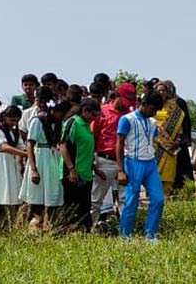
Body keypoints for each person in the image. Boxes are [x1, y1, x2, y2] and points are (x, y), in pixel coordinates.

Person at [116, 91, 166, 240]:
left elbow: (153, 139)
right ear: (143, 104)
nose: (154, 113)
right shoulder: (127, 120)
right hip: (133, 162)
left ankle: (150, 234)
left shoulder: (152, 123)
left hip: (150, 163)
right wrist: (121, 170)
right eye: (152, 109)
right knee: (132, 200)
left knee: (158, 199)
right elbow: (119, 144)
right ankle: (126, 235)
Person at [19, 88, 65, 229]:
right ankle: (27, 226)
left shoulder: (57, 124)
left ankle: (48, 226)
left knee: (52, 195)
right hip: (39, 158)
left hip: (52, 159)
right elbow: (30, 144)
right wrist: (33, 169)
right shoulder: (37, 121)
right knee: (35, 196)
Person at [91, 82, 133, 224]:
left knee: (125, 199)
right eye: (125, 101)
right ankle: (90, 229)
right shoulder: (102, 112)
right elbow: (93, 136)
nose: (126, 105)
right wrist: (93, 161)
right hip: (104, 160)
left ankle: (125, 230)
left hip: (125, 161)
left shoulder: (130, 115)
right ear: (117, 96)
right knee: (96, 199)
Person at [59, 97, 98, 231]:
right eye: (93, 115)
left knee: (84, 209)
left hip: (86, 173)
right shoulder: (73, 123)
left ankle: (85, 234)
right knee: (71, 209)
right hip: (73, 174)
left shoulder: (86, 125)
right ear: (85, 111)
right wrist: (71, 169)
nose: (95, 118)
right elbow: (63, 146)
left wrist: (94, 168)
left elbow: (85, 150)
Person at [152, 80, 188, 189]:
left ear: (167, 92)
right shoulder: (151, 108)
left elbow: (179, 129)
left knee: (167, 180)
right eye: (159, 91)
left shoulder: (174, 108)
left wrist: (177, 141)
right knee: (153, 180)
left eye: (163, 90)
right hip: (154, 147)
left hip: (169, 148)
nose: (161, 93)